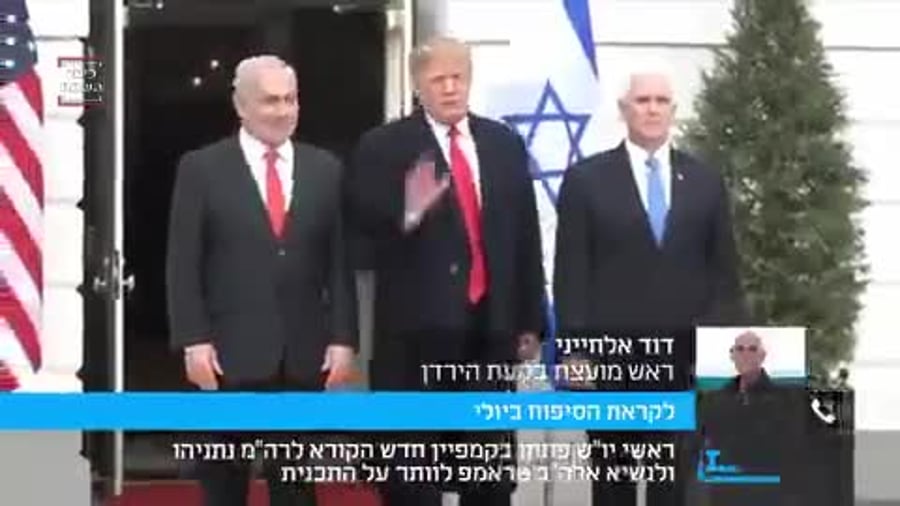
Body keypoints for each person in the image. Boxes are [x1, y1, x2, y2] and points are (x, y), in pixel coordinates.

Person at [344, 36, 545, 506]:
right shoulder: (383, 146)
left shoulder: (503, 143)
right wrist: (408, 210)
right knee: (414, 478)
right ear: (418, 85)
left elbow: (525, 235)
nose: (451, 88)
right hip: (415, 340)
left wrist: (530, 320)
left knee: (488, 477)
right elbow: (359, 230)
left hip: (489, 334)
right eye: (439, 80)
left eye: (459, 77)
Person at [166, 55, 358, 506]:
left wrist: (343, 339)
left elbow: (339, 262)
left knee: (295, 489)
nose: (283, 110)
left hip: (301, 355)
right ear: (241, 105)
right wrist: (193, 340)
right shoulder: (201, 168)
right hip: (224, 358)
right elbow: (183, 262)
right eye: (271, 100)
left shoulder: (325, 169)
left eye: (291, 99)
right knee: (224, 487)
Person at [553, 65, 749, 506]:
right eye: (643, 101)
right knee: (613, 485)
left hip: (682, 364)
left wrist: (725, 355)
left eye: (661, 101)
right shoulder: (587, 180)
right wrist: (575, 352)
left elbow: (724, 273)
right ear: (624, 109)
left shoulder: (704, 182)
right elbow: (571, 273)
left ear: (673, 110)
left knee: (674, 485)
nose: (652, 109)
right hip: (612, 362)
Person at [697, 331, 807, 505]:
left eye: (752, 349)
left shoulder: (785, 400)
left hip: (768, 491)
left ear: (762, 356)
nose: (745, 355)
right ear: (732, 355)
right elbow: (705, 441)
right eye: (740, 349)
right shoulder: (715, 399)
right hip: (725, 491)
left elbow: (788, 447)